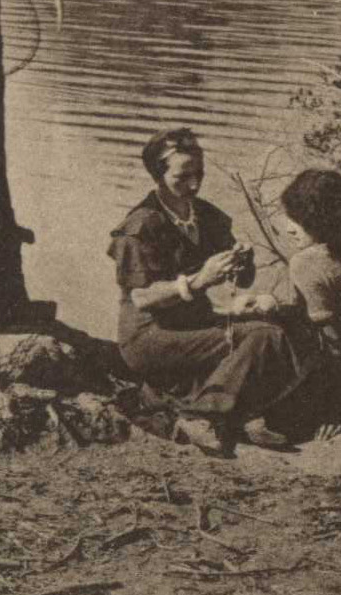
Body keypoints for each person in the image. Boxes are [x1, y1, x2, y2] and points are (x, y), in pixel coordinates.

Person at [109, 128, 314, 455]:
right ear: (158, 175)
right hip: (149, 335)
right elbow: (141, 297)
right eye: (183, 176)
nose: (194, 184)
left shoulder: (207, 216)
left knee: (285, 324)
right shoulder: (142, 225)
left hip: (193, 323)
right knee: (263, 337)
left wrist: (243, 262)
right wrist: (198, 281)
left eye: (199, 174)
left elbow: (242, 281)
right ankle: (199, 415)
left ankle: (243, 413)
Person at [223, 169, 341, 431]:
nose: (289, 228)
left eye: (298, 220)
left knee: (263, 336)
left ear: (322, 222)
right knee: (270, 321)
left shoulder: (307, 263)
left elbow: (335, 345)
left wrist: (336, 410)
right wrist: (274, 306)